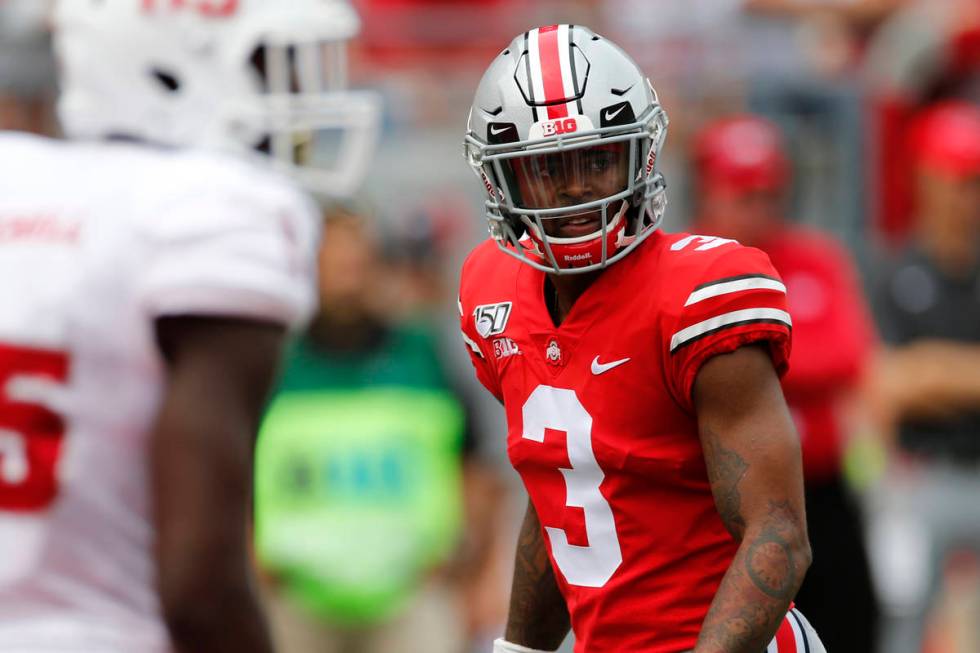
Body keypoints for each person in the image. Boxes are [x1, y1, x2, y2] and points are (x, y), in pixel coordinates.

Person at [0, 0, 377, 651]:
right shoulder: (210, 214)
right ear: (165, 69)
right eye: (268, 68)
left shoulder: (22, 185)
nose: (292, 98)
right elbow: (199, 585)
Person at [459, 24, 826, 653]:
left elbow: (779, 534)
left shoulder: (698, 294)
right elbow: (567, 491)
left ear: (641, 154)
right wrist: (520, 647)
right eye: (548, 168)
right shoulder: (491, 295)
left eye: (597, 159)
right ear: (504, 180)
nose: (575, 187)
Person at [253, 206, 505, 653]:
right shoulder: (271, 365)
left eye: (357, 264)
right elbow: (228, 467)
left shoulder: (424, 355)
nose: (347, 280)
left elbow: (477, 469)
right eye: (334, 265)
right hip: (295, 602)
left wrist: (477, 571)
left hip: (412, 601)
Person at [691, 114, 880, 653]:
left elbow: (847, 354)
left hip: (821, 488)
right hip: (725, 502)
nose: (760, 209)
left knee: (850, 626)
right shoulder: (688, 266)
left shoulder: (816, 260)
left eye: (769, 193)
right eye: (743, 194)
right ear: (708, 191)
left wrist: (736, 360)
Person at [869, 100, 980, 653]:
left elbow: (917, 378)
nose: (970, 198)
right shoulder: (895, 272)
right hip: (920, 477)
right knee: (905, 618)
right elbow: (886, 387)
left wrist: (934, 370)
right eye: (961, 181)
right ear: (927, 181)